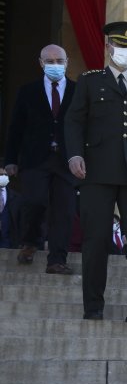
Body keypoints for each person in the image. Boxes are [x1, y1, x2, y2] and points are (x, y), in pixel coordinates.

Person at [65, 21, 127, 330]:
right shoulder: (90, 81)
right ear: (109, 47)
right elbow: (73, 121)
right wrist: (74, 154)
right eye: (122, 47)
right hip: (97, 170)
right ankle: (93, 306)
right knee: (95, 240)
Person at [5, 44, 77, 274]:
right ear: (40, 63)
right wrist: (10, 159)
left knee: (63, 210)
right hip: (35, 158)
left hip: (67, 160)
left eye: (59, 61)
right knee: (34, 201)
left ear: (67, 63)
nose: (55, 65)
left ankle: (57, 259)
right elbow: (16, 127)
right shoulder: (28, 91)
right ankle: (29, 241)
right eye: (49, 61)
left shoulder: (78, 91)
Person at [0, 168, 22, 248]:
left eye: (5, 175)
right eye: (0, 175)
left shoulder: (16, 197)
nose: (3, 177)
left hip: (9, 242)